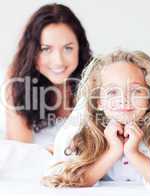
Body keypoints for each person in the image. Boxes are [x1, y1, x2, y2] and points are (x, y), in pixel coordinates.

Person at [42, 50, 150, 196]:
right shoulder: (86, 135)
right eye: (112, 92)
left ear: (149, 99)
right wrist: (113, 151)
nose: (124, 99)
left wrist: (133, 152)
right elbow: (71, 181)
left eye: (136, 91)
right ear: (99, 102)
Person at [4, 3, 92, 147]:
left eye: (68, 48)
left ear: (79, 47)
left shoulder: (94, 76)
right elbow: (21, 149)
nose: (58, 61)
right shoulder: (18, 78)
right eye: (46, 49)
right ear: (32, 51)